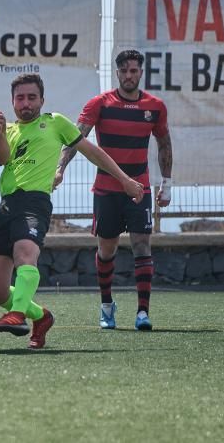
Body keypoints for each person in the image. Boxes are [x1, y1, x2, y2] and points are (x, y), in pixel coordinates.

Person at [0, 73, 144, 349]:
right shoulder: (6, 131)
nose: (26, 103)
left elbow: (93, 152)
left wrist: (125, 179)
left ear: (42, 100)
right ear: (12, 102)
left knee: (25, 254)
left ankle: (18, 315)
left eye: (32, 97)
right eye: (20, 98)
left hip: (35, 202)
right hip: (6, 205)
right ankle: (40, 316)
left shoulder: (55, 122)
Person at [53, 49, 172, 331]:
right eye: (124, 71)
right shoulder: (100, 103)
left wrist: (166, 184)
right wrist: (60, 167)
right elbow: (75, 136)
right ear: (117, 73)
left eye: (134, 71)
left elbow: (165, 144)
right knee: (107, 250)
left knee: (142, 244)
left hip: (139, 189)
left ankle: (143, 312)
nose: (129, 76)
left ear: (141, 72)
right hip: (106, 190)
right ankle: (107, 306)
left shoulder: (154, 106)